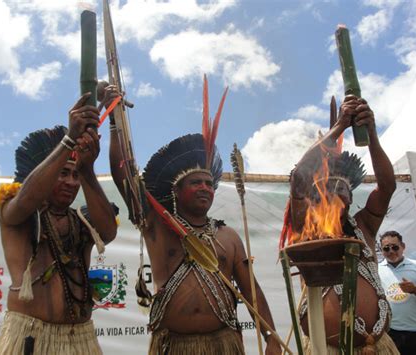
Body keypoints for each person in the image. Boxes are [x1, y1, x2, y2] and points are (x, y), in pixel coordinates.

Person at [103, 80, 282, 354]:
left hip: (223, 344)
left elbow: (251, 291)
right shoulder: (158, 227)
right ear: (176, 190)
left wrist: (270, 336)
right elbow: (121, 175)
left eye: (210, 184)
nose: (205, 188)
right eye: (196, 182)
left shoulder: (229, 237)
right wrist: (115, 120)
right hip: (174, 345)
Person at [0, 93, 118, 354]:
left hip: (80, 338)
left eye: (75, 175)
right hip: (30, 337)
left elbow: (108, 232)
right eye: (64, 173)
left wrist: (87, 170)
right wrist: (69, 140)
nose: (72, 183)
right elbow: (28, 198)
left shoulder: (81, 221)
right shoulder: (17, 211)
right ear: (45, 170)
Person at [287, 95, 399, 354]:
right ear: (314, 196)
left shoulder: (364, 226)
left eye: (343, 188)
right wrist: (338, 127)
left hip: (378, 346)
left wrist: (370, 133)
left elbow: (388, 186)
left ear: (350, 197)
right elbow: (299, 176)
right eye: (328, 186)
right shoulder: (306, 227)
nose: (336, 192)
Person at [378, 230, 416, 355]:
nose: (391, 251)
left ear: (403, 247)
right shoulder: (377, 270)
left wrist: (415, 289)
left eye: (395, 247)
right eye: (386, 248)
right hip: (391, 332)